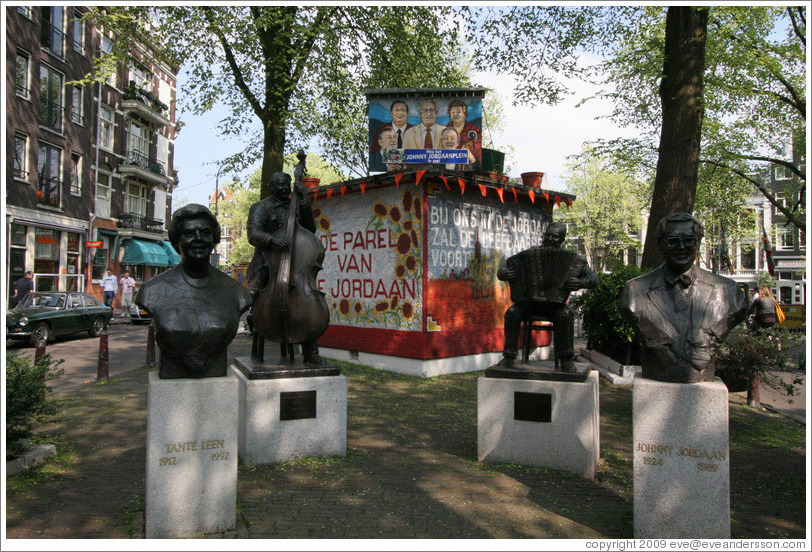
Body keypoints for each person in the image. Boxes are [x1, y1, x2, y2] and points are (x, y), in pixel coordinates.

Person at [619, 212, 748, 383]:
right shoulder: (635, 291)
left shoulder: (727, 291)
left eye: (689, 240)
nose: (681, 247)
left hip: (702, 378)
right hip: (656, 374)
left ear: (698, 243)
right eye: (673, 241)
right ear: (660, 245)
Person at [135, 204, 252, 379]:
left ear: (214, 239)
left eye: (205, 232)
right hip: (171, 378)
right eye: (189, 234)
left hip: (217, 376)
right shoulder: (152, 290)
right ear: (176, 242)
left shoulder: (236, 292)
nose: (198, 239)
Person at [493, 222, 598, 372]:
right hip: (529, 303)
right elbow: (506, 268)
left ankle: (566, 359)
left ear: (562, 239)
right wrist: (504, 273)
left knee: (566, 314)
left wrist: (581, 282)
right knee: (512, 312)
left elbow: (594, 280)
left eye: (554, 237)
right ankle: (509, 357)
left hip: (555, 305)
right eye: (547, 235)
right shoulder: (531, 254)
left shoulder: (574, 261)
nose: (549, 239)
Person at [246, 171, 325, 365]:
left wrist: (304, 200)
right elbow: (252, 233)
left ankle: (310, 352)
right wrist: (271, 240)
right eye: (280, 185)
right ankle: (252, 317)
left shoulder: (295, 205)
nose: (284, 188)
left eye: (287, 184)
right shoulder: (260, 207)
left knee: (306, 306)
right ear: (271, 187)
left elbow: (310, 228)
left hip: (296, 264)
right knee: (253, 290)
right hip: (267, 261)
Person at [445, 99, 481, 167]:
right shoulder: (443, 130)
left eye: (458, 112)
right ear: (449, 114)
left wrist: (472, 158)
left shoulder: (475, 130)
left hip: (467, 171)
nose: (456, 115)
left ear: (465, 113)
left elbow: (479, 159)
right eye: (453, 112)